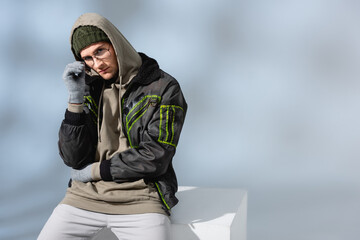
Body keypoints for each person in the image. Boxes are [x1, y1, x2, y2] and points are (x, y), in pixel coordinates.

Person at [38, 12, 187, 240]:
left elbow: (157, 155)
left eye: (100, 51)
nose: (97, 64)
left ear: (116, 44)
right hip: (85, 196)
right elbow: (73, 159)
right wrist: (75, 100)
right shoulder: (89, 87)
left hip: (142, 198)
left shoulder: (163, 87)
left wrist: (95, 171)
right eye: (87, 58)